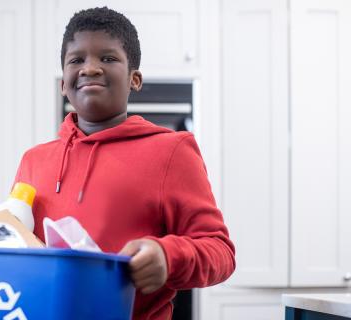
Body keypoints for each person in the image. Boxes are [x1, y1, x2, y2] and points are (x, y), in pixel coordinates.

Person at [13, 7, 235, 320]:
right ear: (63, 83)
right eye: (77, 59)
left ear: (135, 79)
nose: (90, 68)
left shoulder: (171, 150)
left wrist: (167, 256)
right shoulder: (33, 160)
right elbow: (14, 245)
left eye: (107, 58)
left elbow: (220, 252)